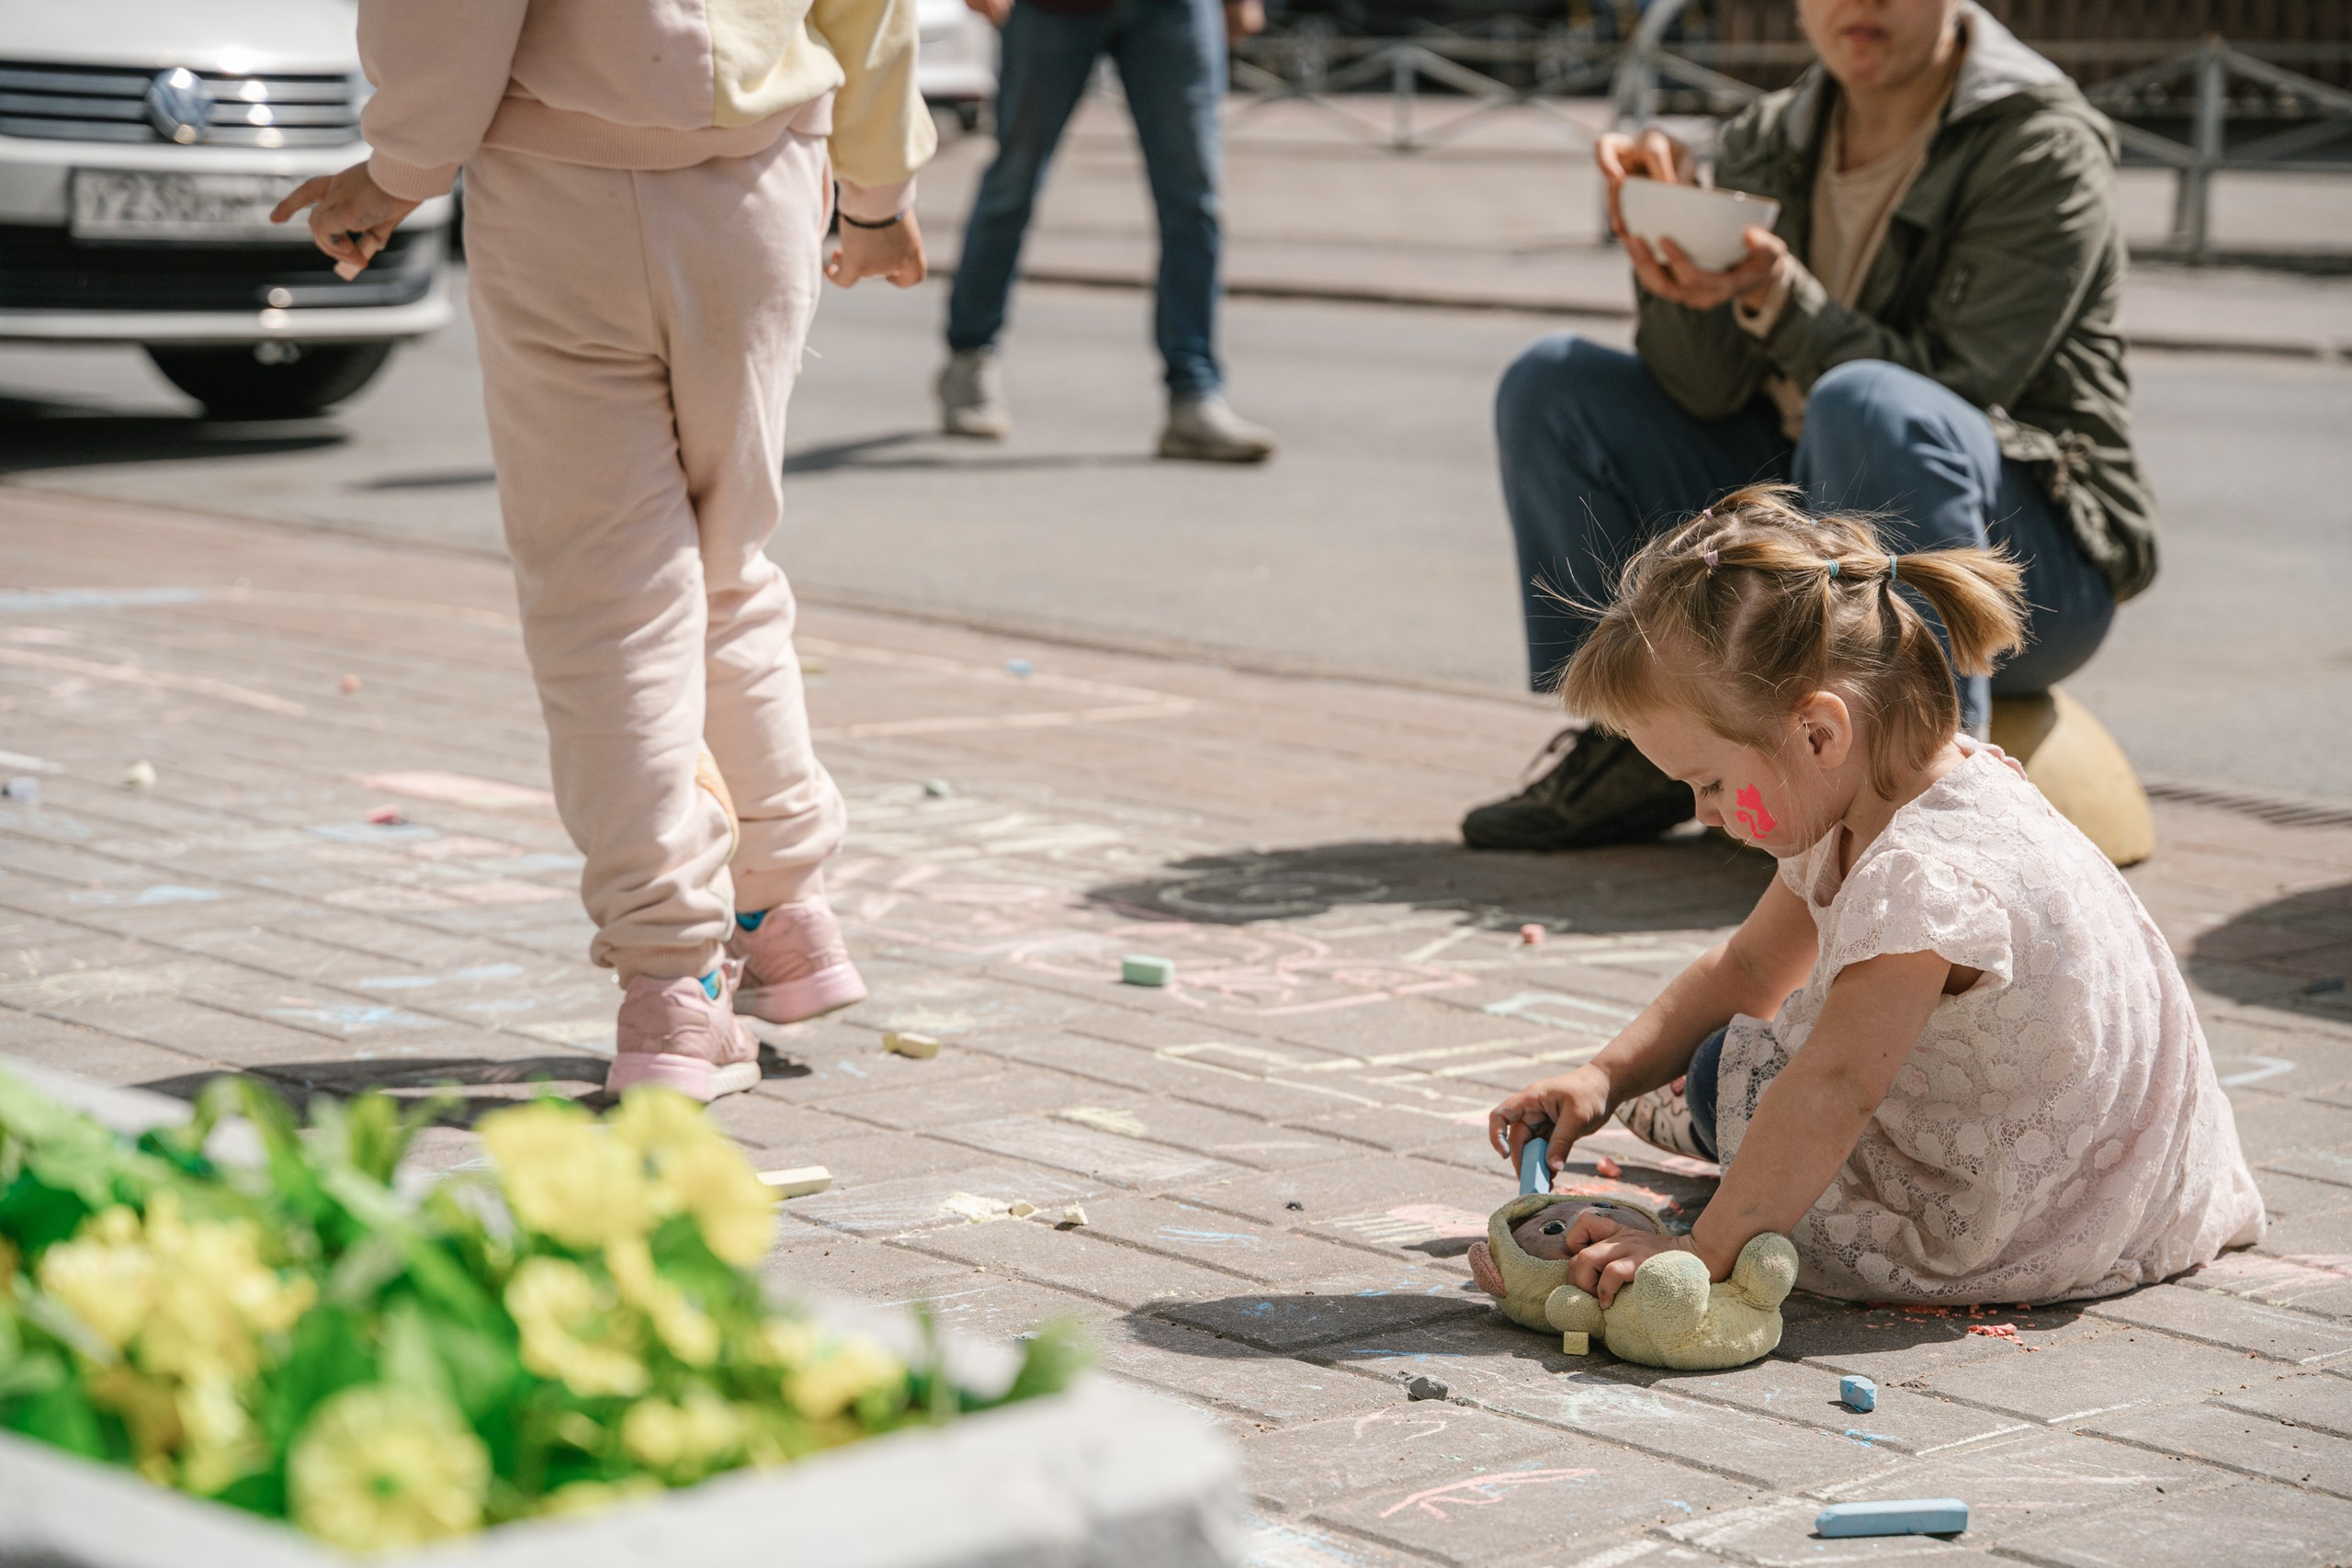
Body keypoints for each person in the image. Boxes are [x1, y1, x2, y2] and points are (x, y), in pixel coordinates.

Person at [271, 0, 933, 1101]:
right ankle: (782, 913)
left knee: (612, 597)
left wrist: (397, 172)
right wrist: (877, 196)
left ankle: (675, 980)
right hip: (765, 182)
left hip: (563, 187)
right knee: (726, 562)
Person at [1487, 488, 2260, 1305]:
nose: (1702, 813)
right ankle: (1682, 1095)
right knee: (1743, 1047)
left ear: (1820, 732)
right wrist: (1604, 1076)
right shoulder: (1893, 788)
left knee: (1742, 1072)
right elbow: (1751, 966)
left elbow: (1835, 1087)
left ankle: (1696, 1107)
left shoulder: (1922, 878)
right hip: (2119, 1185)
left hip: (1991, 1228)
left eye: (1710, 781)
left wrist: (1695, 1251)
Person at [1465, 0, 2154, 852]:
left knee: (1865, 401)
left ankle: (1932, 804)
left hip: (2013, 557)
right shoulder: (1769, 134)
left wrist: (1781, 297)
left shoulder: (2041, 143)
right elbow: (1705, 387)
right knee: (1554, 384)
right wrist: (1669, 237)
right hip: (1815, 525)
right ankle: (1639, 746)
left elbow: (1957, 386)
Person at [938, 0, 1277, 462]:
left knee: (1194, 199)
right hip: (1052, 9)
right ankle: (969, 356)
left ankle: (1194, 395)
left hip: (1176, 11)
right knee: (1012, 185)